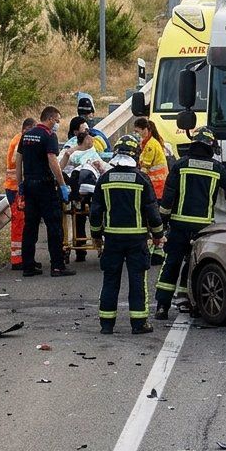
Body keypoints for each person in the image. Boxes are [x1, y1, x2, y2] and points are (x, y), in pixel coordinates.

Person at [154, 128, 226, 319]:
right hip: (203, 228)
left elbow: (168, 198)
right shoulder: (216, 168)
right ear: (210, 146)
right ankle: (189, 302)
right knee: (194, 265)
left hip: (179, 225)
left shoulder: (180, 165)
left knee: (171, 263)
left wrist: (162, 223)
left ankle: (162, 307)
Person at [89, 136, 164, 334]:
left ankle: (107, 325)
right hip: (137, 240)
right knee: (137, 281)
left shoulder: (105, 179)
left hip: (112, 239)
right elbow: (152, 211)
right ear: (135, 155)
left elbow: (95, 212)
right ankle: (139, 324)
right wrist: (158, 234)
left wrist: (96, 235)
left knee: (110, 280)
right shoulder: (142, 179)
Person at [16, 106, 75, 277]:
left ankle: (28, 266)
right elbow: (52, 160)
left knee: (30, 227)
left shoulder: (27, 135)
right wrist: (62, 184)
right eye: (57, 120)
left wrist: (20, 185)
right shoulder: (49, 136)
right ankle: (57, 266)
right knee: (54, 226)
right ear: (49, 119)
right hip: (45, 186)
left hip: (29, 185)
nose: (57, 124)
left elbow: (18, 160)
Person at [60, 116, 109, 261]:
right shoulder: (71, 147)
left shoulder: (91, 145)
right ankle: (80, 250)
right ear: (76, 132)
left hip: (90, 186)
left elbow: (100, 161)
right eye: (84, 129)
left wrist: (101, 168)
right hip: (77, 187)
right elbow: (62, 163)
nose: (88, 131)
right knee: (79, 217)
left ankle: (98, 242)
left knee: (94, 214)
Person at [134, 117, 171, 266]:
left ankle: (155, 251)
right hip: (156, 187)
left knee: (152, 221)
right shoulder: (149, 142)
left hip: (156, 188)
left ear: (145, 130)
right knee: (156, 221)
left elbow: (144, 170)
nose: (137, 134)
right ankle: (157, 251)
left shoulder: (150, 145)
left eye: (138, 131)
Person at [4, 118, 35, 271]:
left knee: (22, 223)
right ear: (26, 129)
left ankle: (23, 257)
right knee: (19, 223)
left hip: (16, 187)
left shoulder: (19, 139)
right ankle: (17, 259)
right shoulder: (20, 142)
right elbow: (20, 164)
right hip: (16, 188)